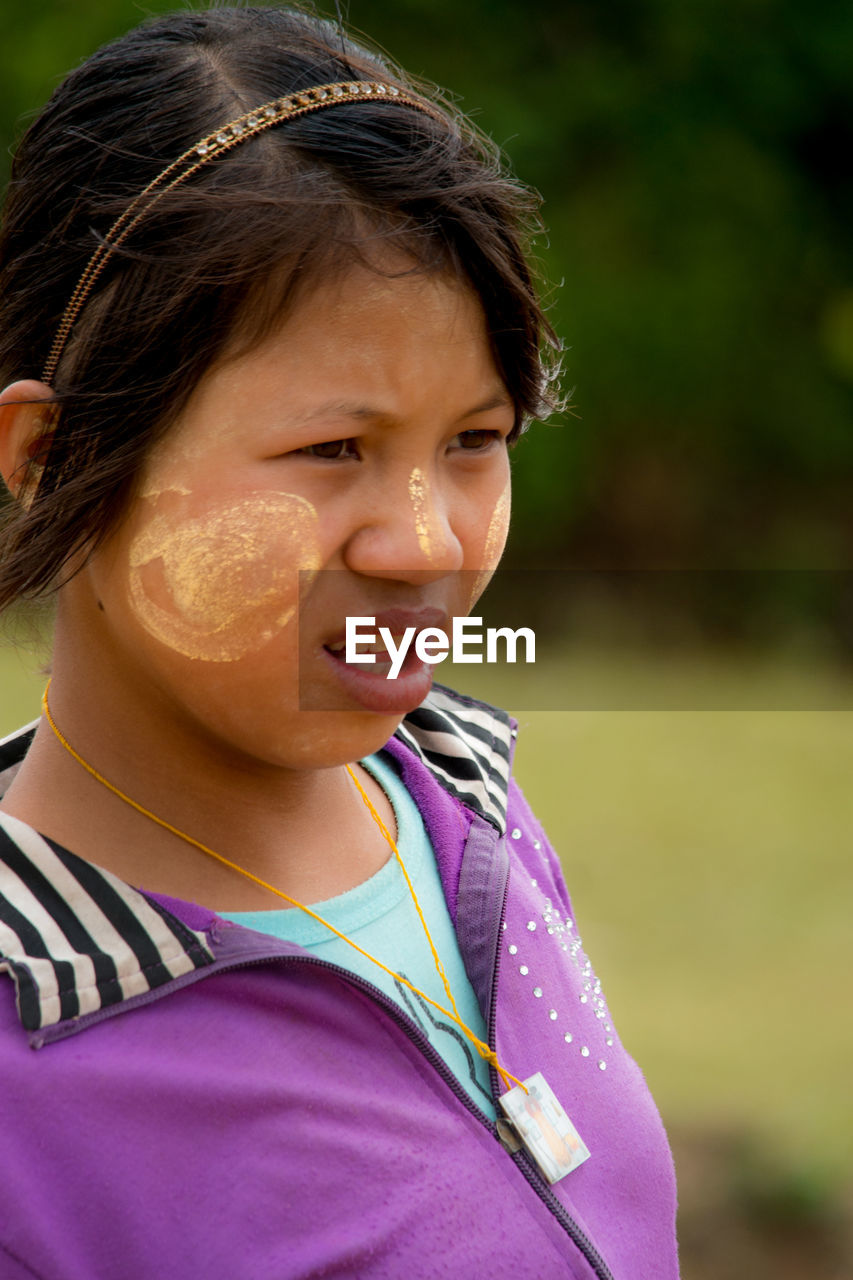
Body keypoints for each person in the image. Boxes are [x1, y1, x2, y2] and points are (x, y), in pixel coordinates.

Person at [0, 7, 679, 1278]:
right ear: (51, 457)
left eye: (474, 441)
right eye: (332, 450)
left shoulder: (462, 795)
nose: (425, 544)